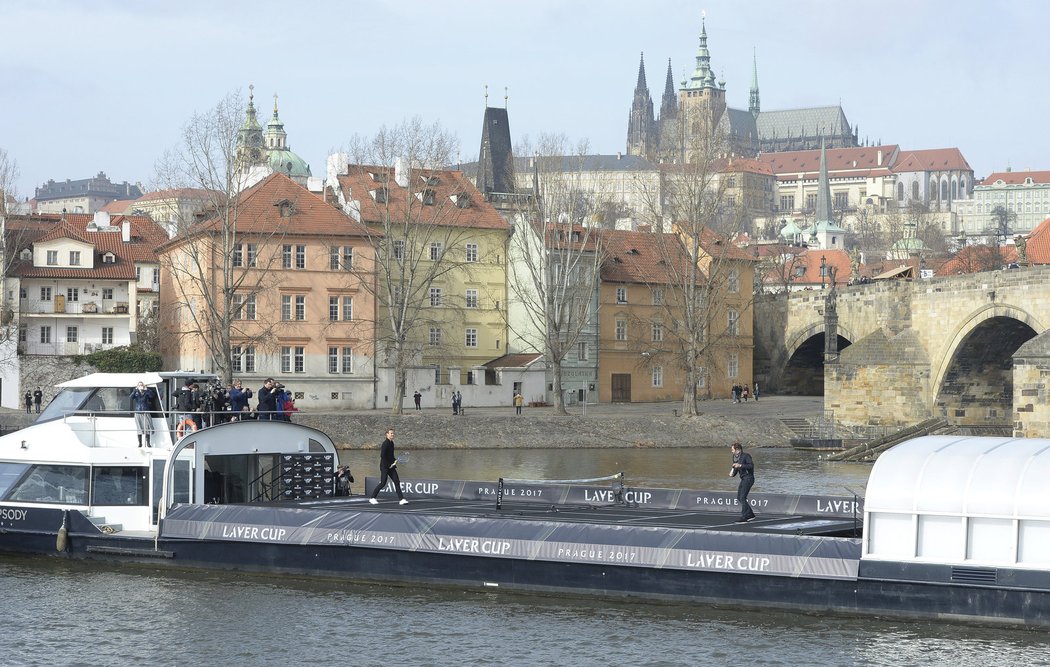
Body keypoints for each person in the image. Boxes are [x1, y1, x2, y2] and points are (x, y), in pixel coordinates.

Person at [369, 429, 407, 505]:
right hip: (384, 467)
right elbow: (382, 456)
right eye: (391, 433)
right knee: (383, 483)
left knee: (396, 481)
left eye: (393, 433)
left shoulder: (392, 443)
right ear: (387, 434)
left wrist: (394, 461)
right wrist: (388, 464)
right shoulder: (385, 444)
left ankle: (401, 499)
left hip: (391, 466)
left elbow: (391, 456)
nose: (392, 435)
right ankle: (372, 498)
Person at [729, 442, 756, 523]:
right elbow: (735, 469)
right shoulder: (736, 458)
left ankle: (744, 516)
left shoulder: (746, 456)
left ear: (738, 450)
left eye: (732, 450)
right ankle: (750, 514)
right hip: (743, 479)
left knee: (742, 497)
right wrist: (732, 473)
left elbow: (750, 466)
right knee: (739, 497)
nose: (732, 451)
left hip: (749, 478)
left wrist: (740, 465)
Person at [129, 381, 158, 447]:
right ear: (137, 386)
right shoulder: (136, 392)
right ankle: (140, 443)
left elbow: (152, 396)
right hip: (138, 412)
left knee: (147, 427)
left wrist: (147, 389)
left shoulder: (146, 392)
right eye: (139, 385)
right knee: (139, 428)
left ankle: (148, 443)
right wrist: (135, 390)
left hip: (146, 412)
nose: (141, 386)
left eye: (142, 385)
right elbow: (130, 397)